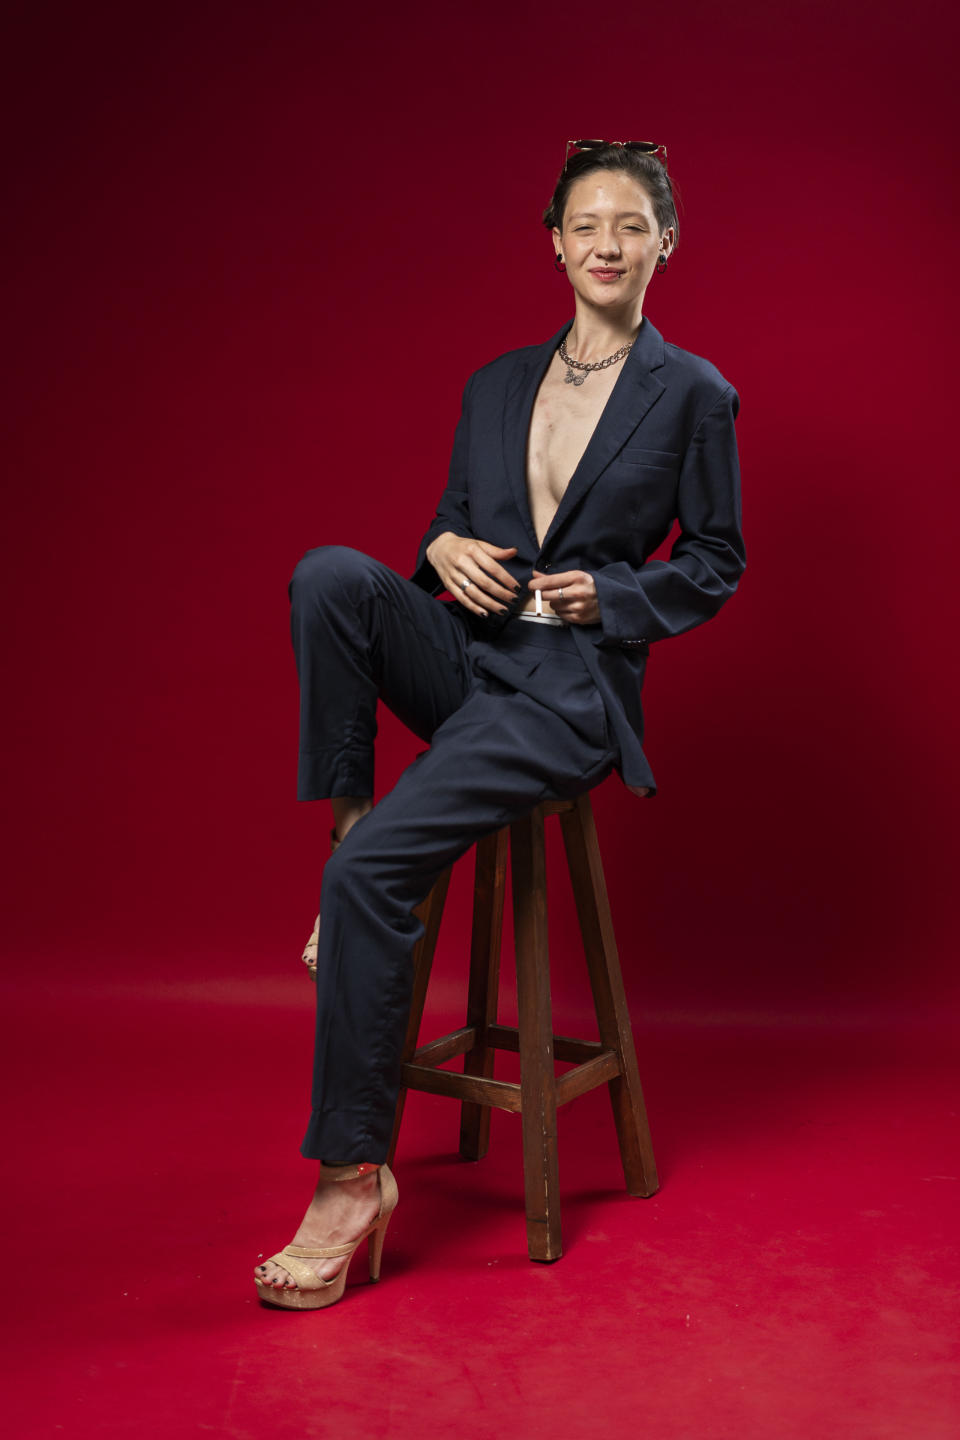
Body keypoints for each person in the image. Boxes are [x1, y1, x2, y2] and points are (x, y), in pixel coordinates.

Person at [254, 139, 745, 1308]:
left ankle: (351, 1179)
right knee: (331, 575)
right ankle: (354, 828)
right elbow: (448, 522)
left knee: (371, 884)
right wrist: (439, 547)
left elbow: (718, 560)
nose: (608, 245)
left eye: (631, 226)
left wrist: (611, 597)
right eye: (587, 225)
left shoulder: (694, 394)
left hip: (567, 690)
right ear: (555, 244)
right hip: (469, 656)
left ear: (666, 244)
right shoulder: (494, 384)